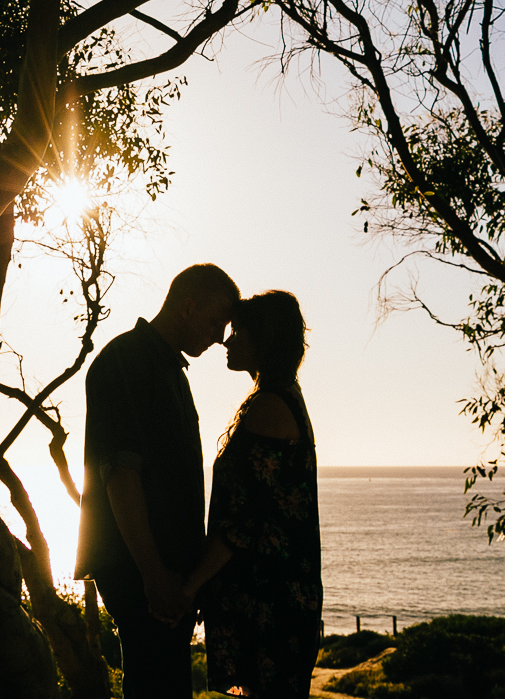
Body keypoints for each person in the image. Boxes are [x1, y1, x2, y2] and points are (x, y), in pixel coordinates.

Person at [75, 263, 240, 698]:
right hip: (141, 568)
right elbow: (120, 473)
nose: (220, 336)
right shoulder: (128, 361)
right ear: (188, 306)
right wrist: (153, 573)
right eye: (215, 322)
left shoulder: (168, 369)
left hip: (166, 570)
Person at [184, 290, 322, 699]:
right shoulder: (280, 398)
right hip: (279, 598)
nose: (227, 341)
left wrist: (189, 587)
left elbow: (241, 524)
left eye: (238, 332)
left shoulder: (269, 407)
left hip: (271, 603)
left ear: (264, 339)